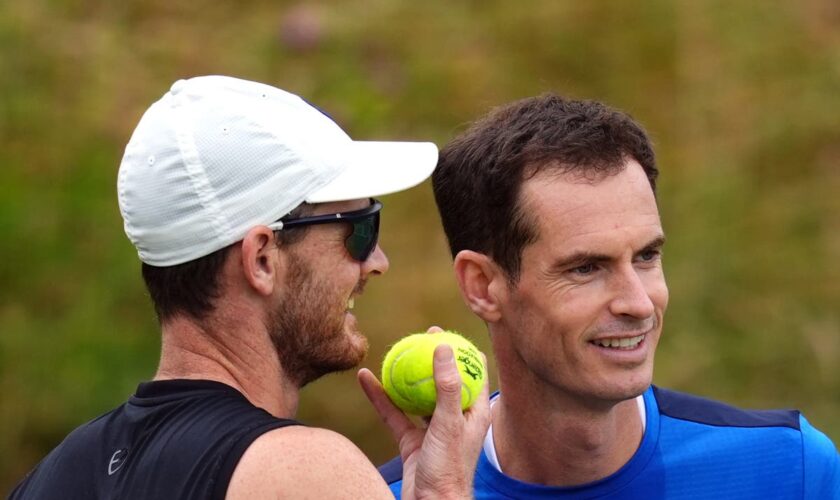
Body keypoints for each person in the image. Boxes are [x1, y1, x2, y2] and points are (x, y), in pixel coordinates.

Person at [10, 75, 490, 499]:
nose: (376, 263)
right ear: (262, 257)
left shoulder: (50, 476)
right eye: (360, 231)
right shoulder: (306, 474)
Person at [381, 94, 840, 498]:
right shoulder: (398, 496)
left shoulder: (788, 470)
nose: (639, 303)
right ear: (482, 285)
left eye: (646, 257)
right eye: (586, 268)